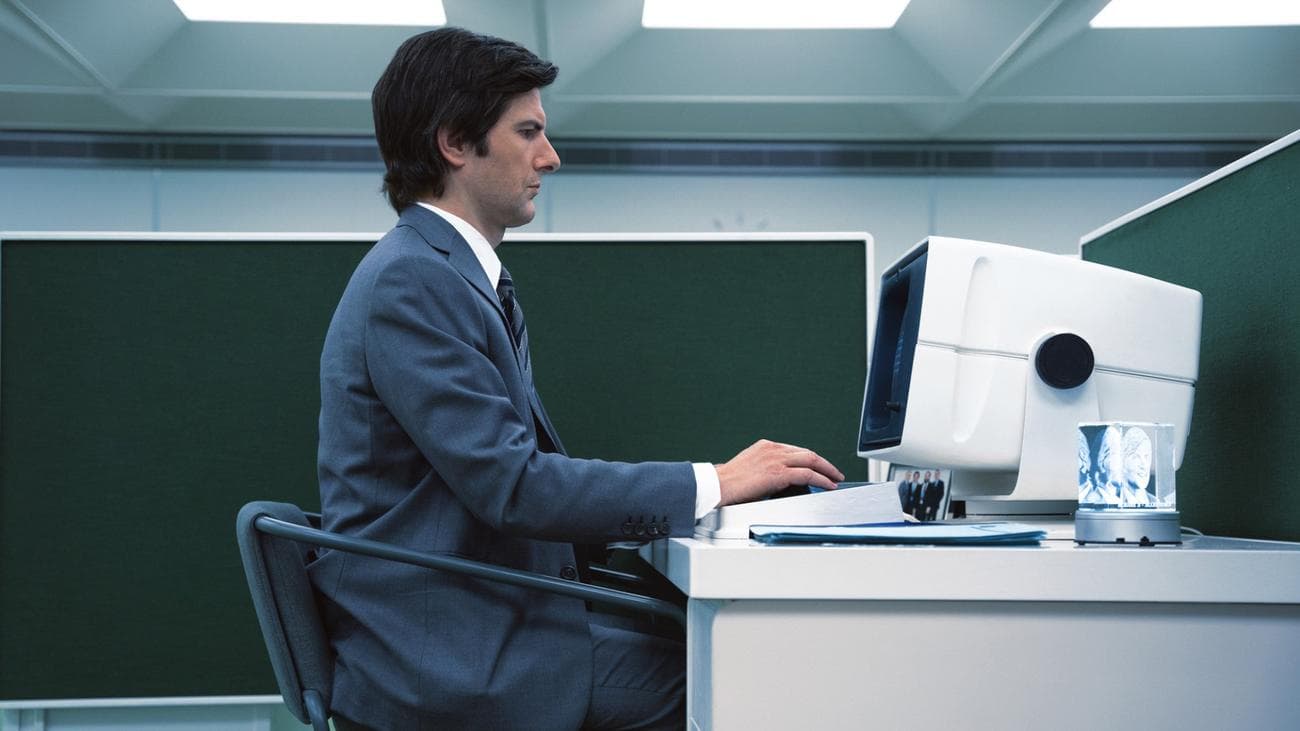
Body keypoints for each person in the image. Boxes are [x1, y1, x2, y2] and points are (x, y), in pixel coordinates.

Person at [309, 27, 844, 731]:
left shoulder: (452, 276)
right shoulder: (413, 281)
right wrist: (714, 482)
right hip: (452, 656)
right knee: (745, 670)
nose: (550, 157)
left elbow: (516, 481)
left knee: (729, 643)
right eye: (528, 132)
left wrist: (711, 506)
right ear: (455, 144)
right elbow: (515, 486)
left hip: (485, 621)